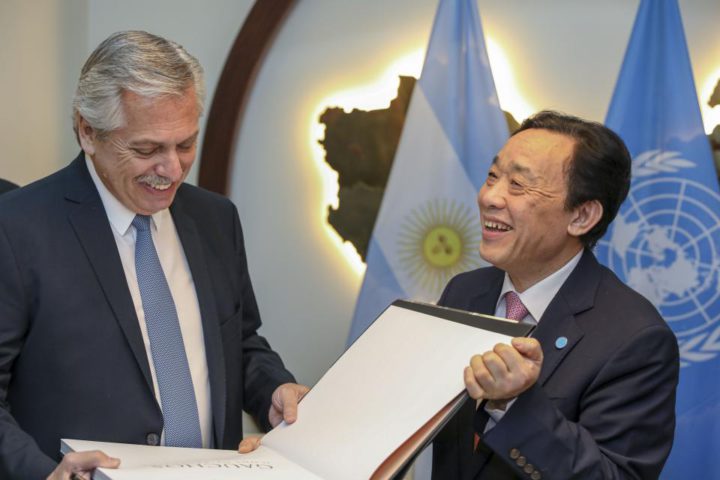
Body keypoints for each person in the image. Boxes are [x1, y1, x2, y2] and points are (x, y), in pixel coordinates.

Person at [0, 31, 308, 480]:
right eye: (147, 150)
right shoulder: (16, 228)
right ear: (88, 131)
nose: (173, 169)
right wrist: (41, 473)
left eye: (185, 144)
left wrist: (273, 389)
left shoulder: (216, 219)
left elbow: (239, 344)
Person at [431, 111, 679, 479]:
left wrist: (514, 402)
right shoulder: (465, 291)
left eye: (517, 185)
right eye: (492, 176)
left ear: (581, 217)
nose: (490, 198)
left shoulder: (636, 338)